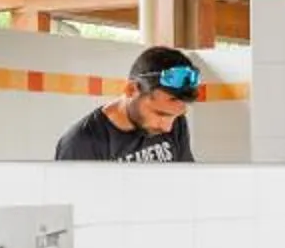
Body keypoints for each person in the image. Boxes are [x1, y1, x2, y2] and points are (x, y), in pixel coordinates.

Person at [54, 46, 202, 162]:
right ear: (131, 90)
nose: (168, 127)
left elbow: (187, 186)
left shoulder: (175, 123)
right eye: (160, 114)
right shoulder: (81, 143)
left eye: (176, 116)